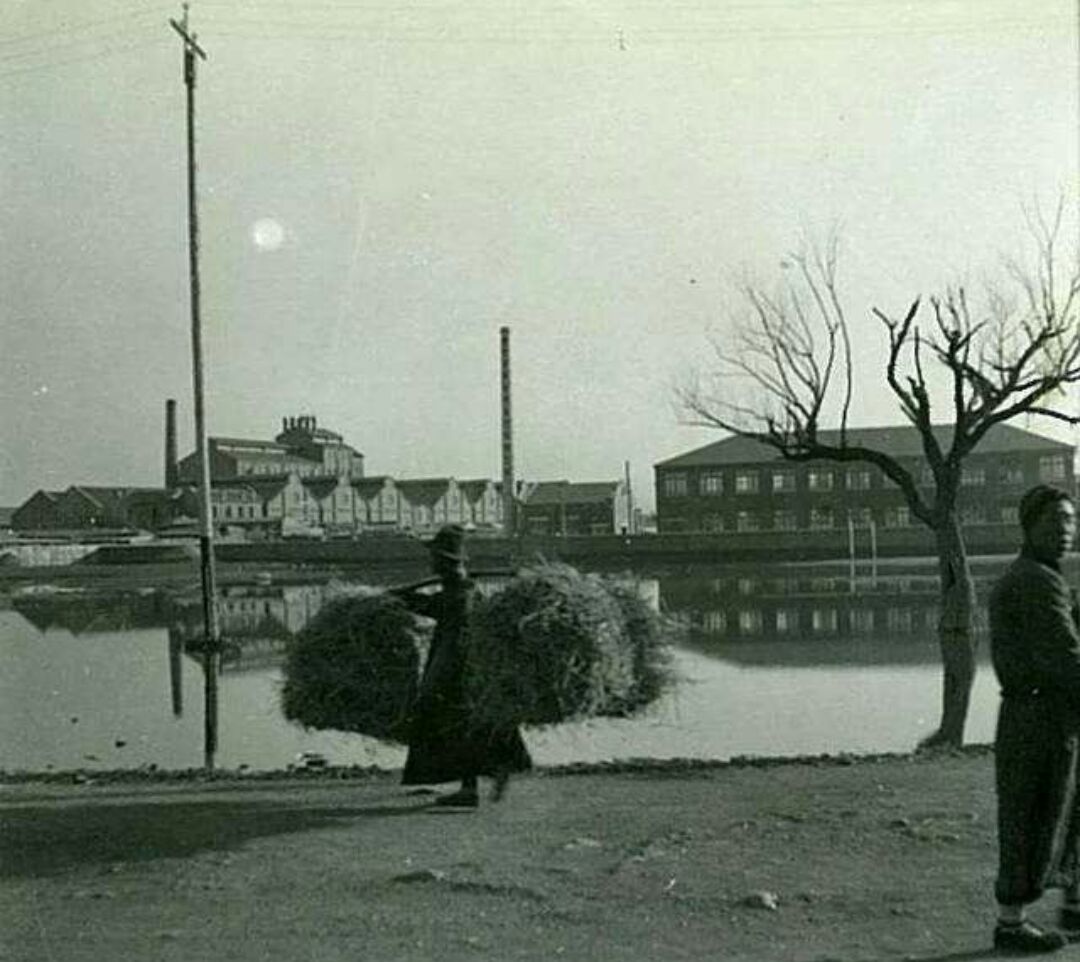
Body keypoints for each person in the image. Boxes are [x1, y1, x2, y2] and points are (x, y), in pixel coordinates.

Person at [989, 484, 1080, 953]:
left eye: (1071, 521)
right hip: (1038, 716)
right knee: (1032, 814)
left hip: (1038, 712)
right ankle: (1011, 923)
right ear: (1030, 527)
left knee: (1058, 810)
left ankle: (1070, 903)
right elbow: (1066, 660)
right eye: (1054, 523)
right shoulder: (1036, 581)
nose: (1065, 531)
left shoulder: (1038, 575)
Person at [394, 524, 531, 809]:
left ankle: (483, 779)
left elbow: (434, 609)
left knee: (457, 725)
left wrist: (399, 597)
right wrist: (404, 597)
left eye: (435, 557)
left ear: (445, 560)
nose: (431, 562)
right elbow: (432, 605)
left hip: (455, 669)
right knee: (468, 725)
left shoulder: (458, 593)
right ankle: (478, 782)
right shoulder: (461, 590)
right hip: (465, 666)